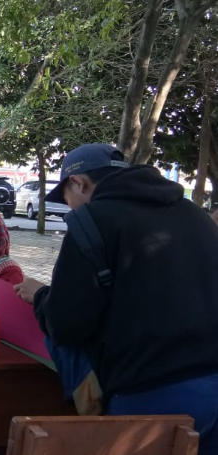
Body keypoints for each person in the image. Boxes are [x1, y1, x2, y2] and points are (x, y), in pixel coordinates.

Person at [14, 143, 218, 455]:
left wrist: (42, 296)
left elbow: (67, 324)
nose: (70, 208)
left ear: (79, 183)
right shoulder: (195, 215)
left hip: (148, 398)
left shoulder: (90, 222)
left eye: (67, 199)